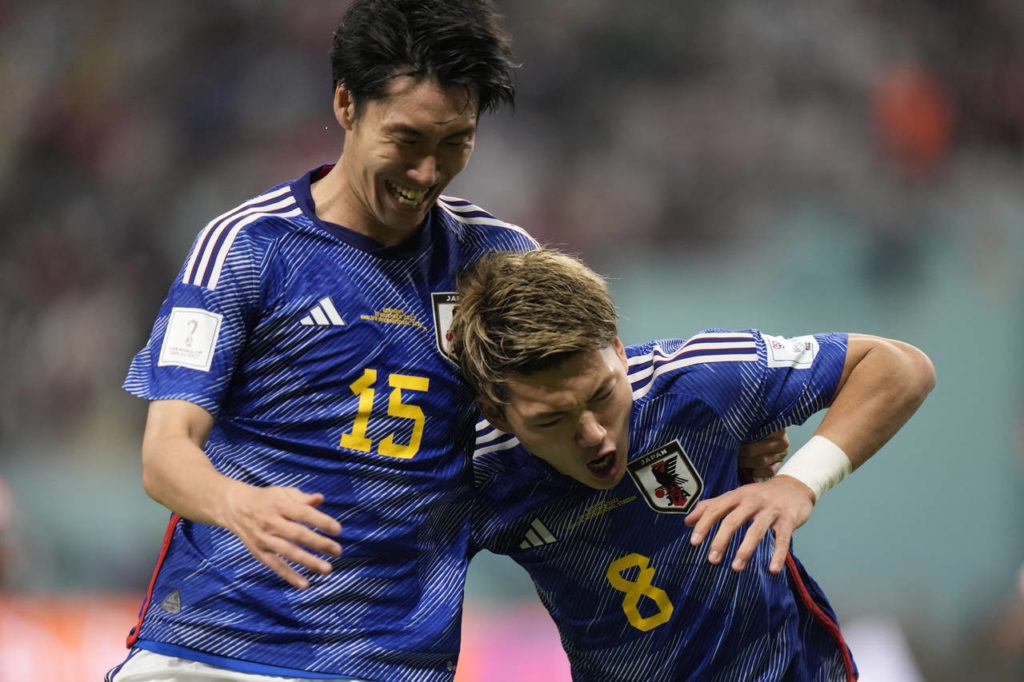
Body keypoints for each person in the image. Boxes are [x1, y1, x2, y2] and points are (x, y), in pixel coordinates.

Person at [106, 1, 535, 680]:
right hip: (215, 646)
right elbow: (165, 455)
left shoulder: (499, 264)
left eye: (455, 142)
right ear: (345, 105)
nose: (427, 172)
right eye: (406, 140)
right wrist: (238, 503)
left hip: (384, 661)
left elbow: (590, 402)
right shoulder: (249, 246)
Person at [451, 249, 936, 682]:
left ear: (618, 351)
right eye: (552, 420)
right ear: (498, 414)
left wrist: (797, 483)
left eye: (602, 394)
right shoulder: (476, 476)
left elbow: (898, 366)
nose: (594, 433)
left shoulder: (696, 382)